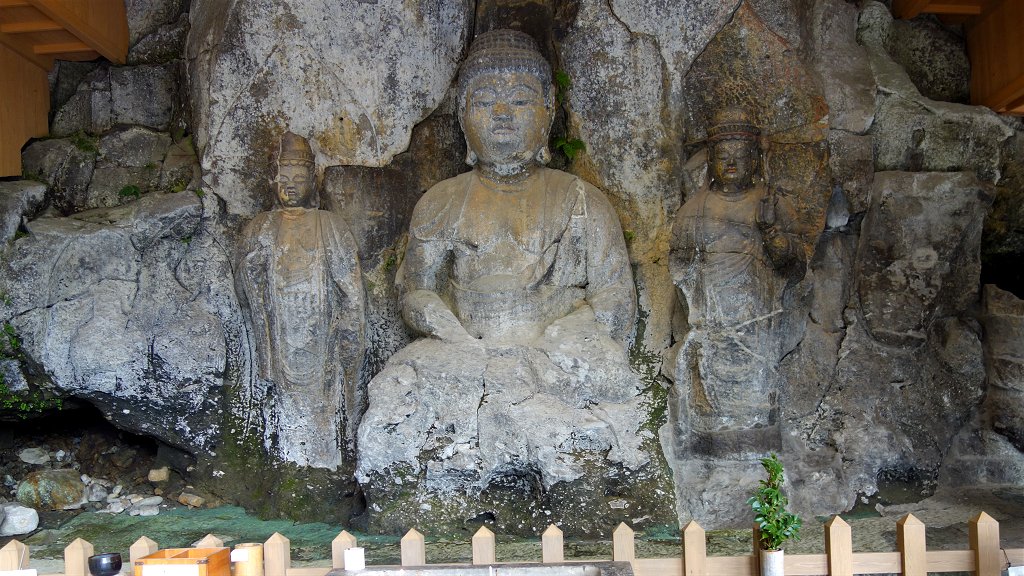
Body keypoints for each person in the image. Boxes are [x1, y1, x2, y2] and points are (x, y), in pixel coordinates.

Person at [356, 30, 646, 532]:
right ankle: (426, 501)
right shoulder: (443, 200)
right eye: (486, 102)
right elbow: (417, 292)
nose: (503, 114)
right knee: (396, 393)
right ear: (463, 117)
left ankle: (567, 486)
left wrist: (557, 343)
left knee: (594, 392)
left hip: (556, 356)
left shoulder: (580, 200)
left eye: (520, 100)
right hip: (465, 348)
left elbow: (615, 297)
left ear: (548, 112)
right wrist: (443, 323)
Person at [669, 106, 805, 455]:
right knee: (708, 389)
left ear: (755, 159)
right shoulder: (693, 211)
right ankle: (709, 442)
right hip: (712, 318)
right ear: (710, 160)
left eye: (740, 156)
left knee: (757, 394)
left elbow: (794, 269)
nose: (731, 163)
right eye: (723, 156)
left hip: (757, 320)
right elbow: (679, 269)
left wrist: (772, 235)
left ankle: (758, 443)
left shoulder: (771, 205)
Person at [236, 131, 365, 470]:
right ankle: (285, 463)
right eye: (284, 178)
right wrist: (252, 268)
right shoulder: (260, 226)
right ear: (272, 181)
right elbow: (245, 293)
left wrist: (350, 332)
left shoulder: (329, 224)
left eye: (298, 178)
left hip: (321, 334)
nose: (290, 186)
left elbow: (350, 286)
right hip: (279, 331)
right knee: (283, 402)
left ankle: (326, 465)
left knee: (324, 401)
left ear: (312, 181)